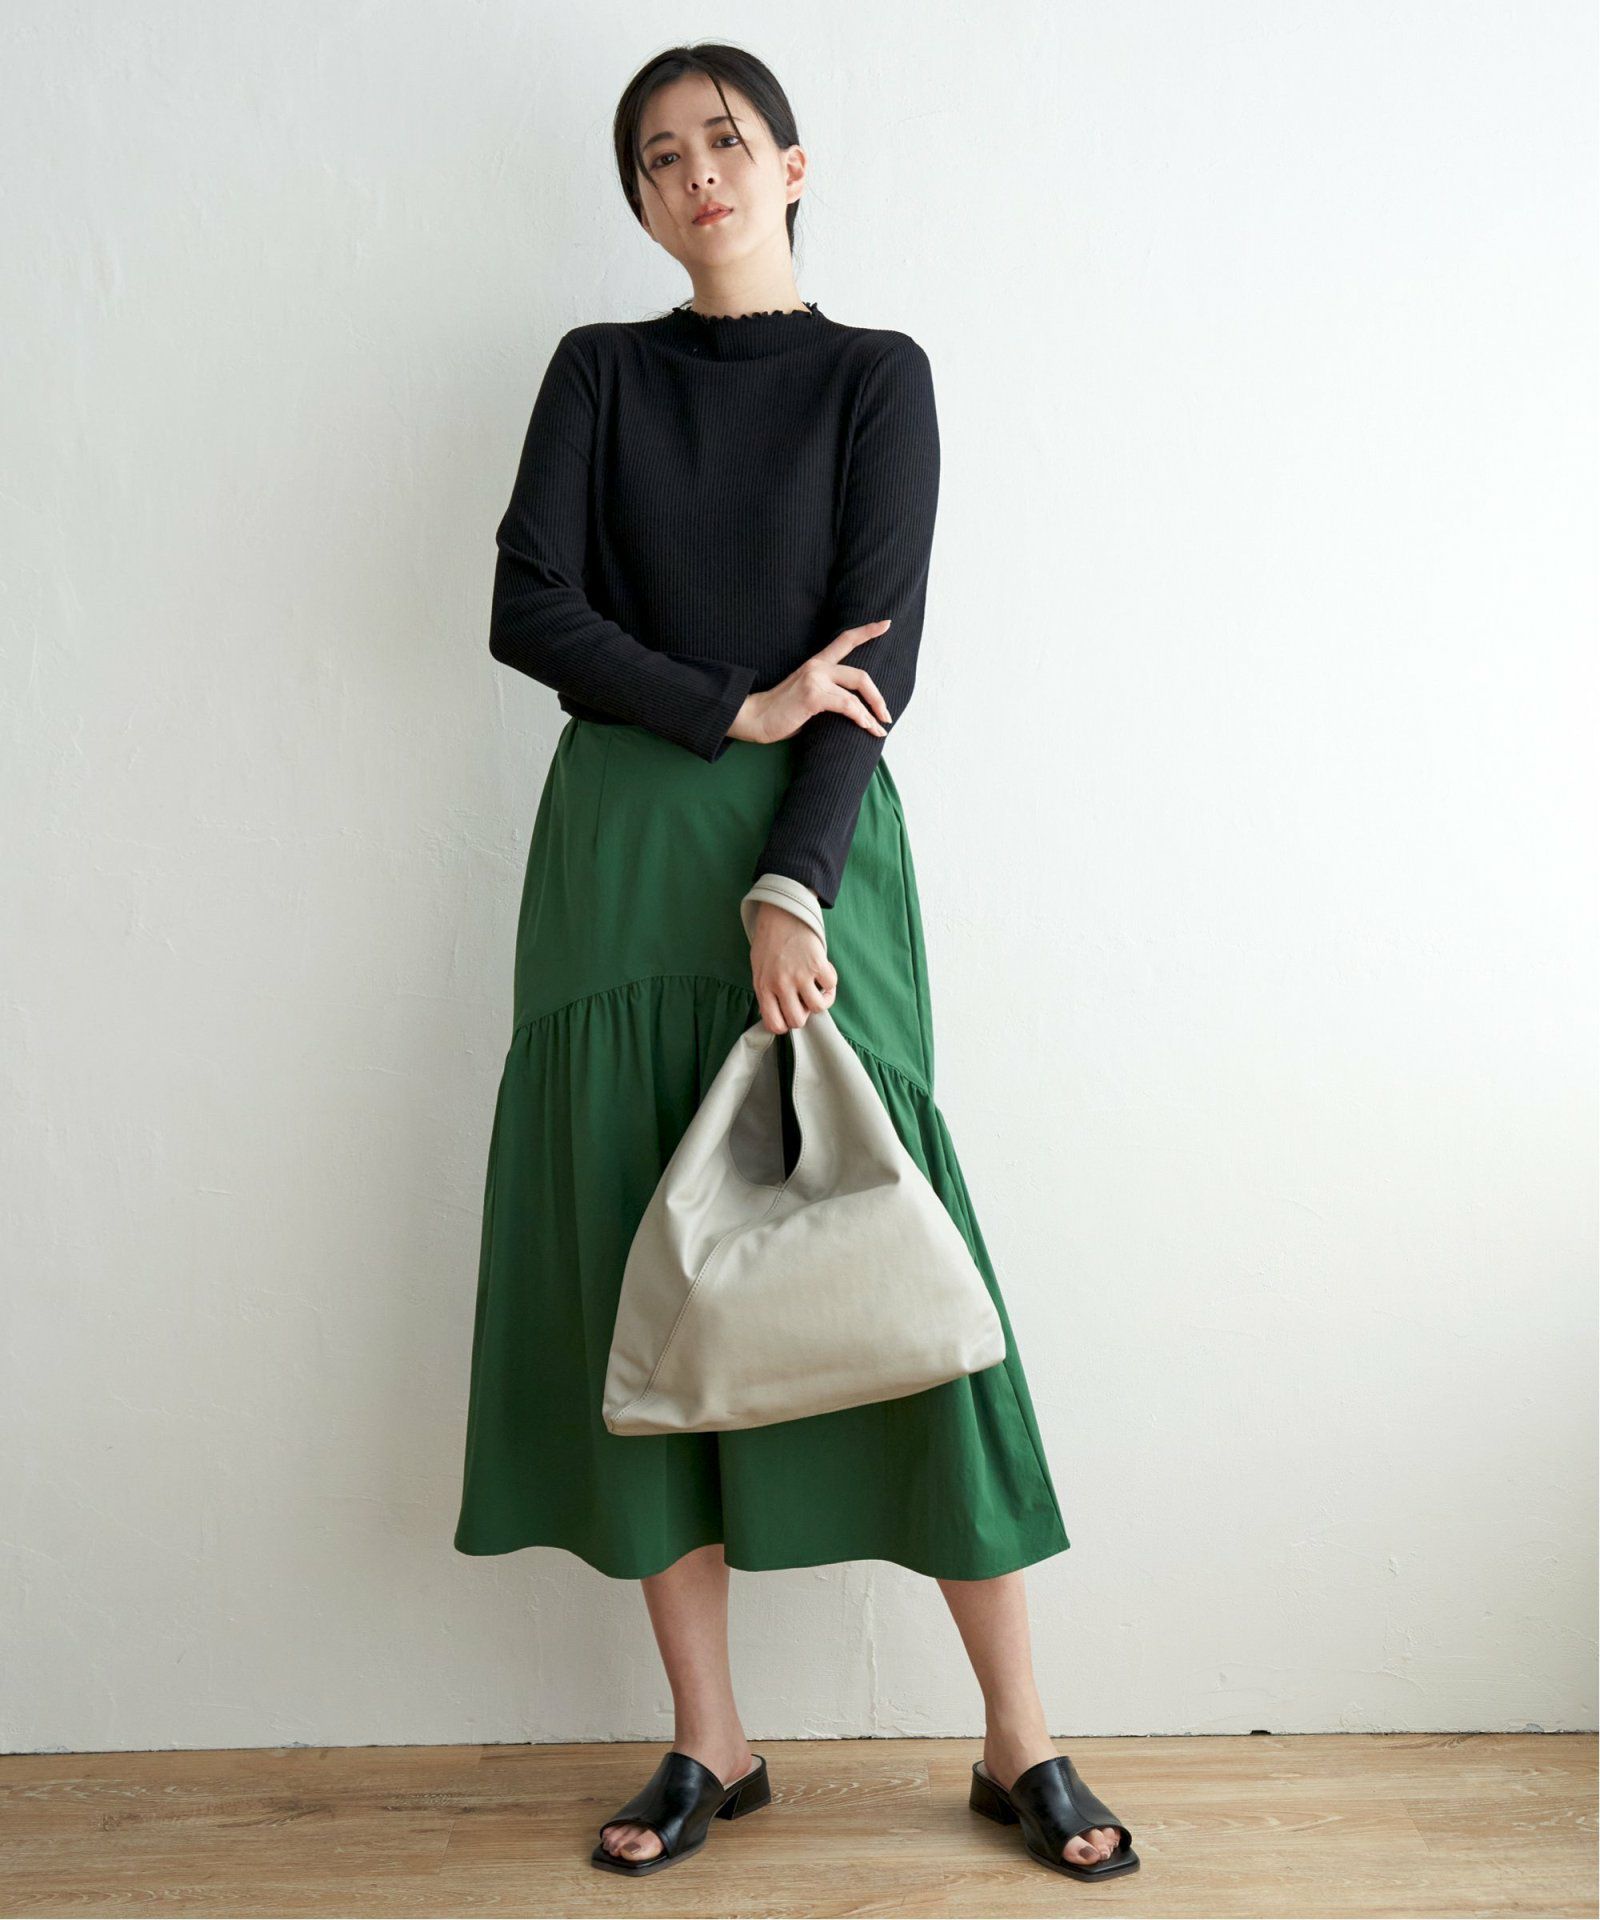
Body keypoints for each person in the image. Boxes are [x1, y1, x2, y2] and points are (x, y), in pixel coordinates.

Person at [452, 41, 1138, 1886]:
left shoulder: (874, 376)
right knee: (643, 1272)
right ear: (640, 198)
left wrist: (791, 882)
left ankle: (1019, 1739)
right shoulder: (599, 372)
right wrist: (725, 704)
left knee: (898, 1257)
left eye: (727, 140)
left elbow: (872, 661)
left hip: (811, 854)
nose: (698, 174)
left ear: (794, 165)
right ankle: (713, 1741)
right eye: (660, 156)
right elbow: (526, 601)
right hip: (618, 862)